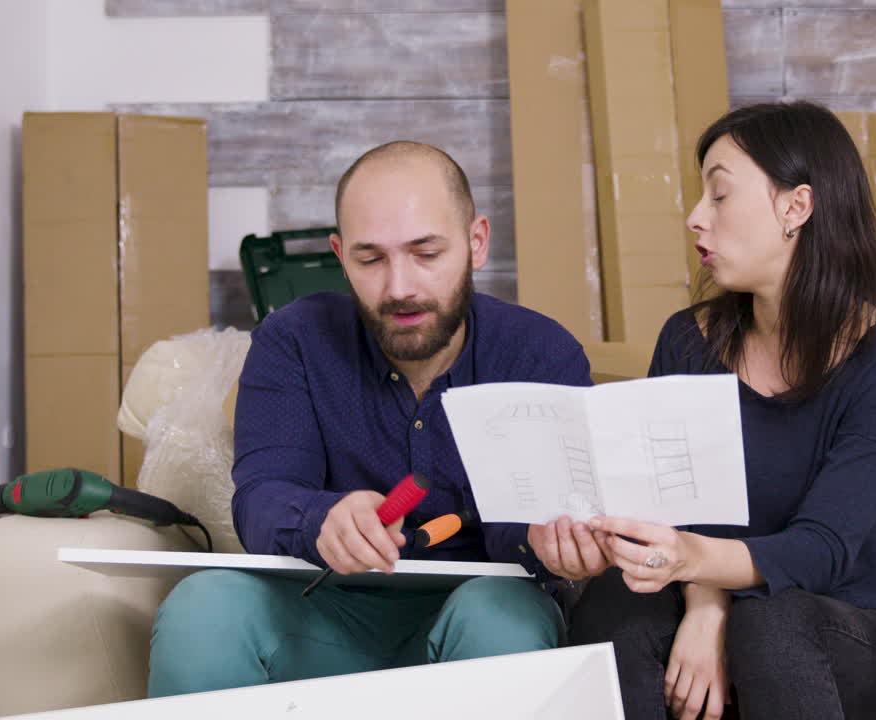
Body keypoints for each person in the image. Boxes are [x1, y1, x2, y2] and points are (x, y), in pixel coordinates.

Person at [147, 141, 611, 697]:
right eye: (371, 259)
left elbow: (538, 525)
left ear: (476, 242)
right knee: (203, 605)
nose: (400, 288)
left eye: (426, 253)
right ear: (340, 255)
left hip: (484, 601)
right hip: (325, 606)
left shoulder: (540, 353)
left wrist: (550, 539)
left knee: (501, 613)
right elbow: (261, 495)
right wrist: (324, 518)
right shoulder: (292, 340)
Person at [568, 102, 876, 720]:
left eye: (719, 196)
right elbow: (666, 507)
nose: (695, 218)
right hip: (715, 592)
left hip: (857, 627)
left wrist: (699, 572)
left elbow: (821, 549)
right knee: (616, 611)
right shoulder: (688, 340)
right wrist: (705, 603)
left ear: (796, 207)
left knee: (772, 623)